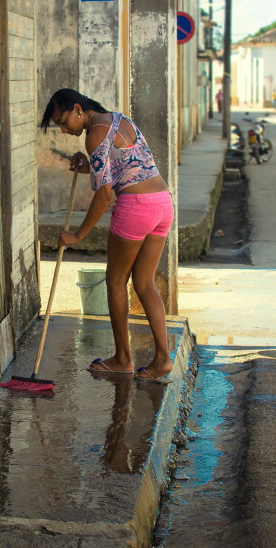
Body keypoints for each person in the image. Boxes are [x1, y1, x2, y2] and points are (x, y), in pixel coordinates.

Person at [41, 88, 174, 384]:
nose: (64, 130)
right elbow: (125, 167)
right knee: (144, 283)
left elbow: (104, 195)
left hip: (136, 207)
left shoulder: (94, 135)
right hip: (162, 203)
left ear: (78, 109)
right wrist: (87, 166)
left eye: (64, 121)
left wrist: (77, 236)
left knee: (116, 281)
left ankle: (123, 359)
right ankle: (163, 359)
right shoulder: (116, 120)